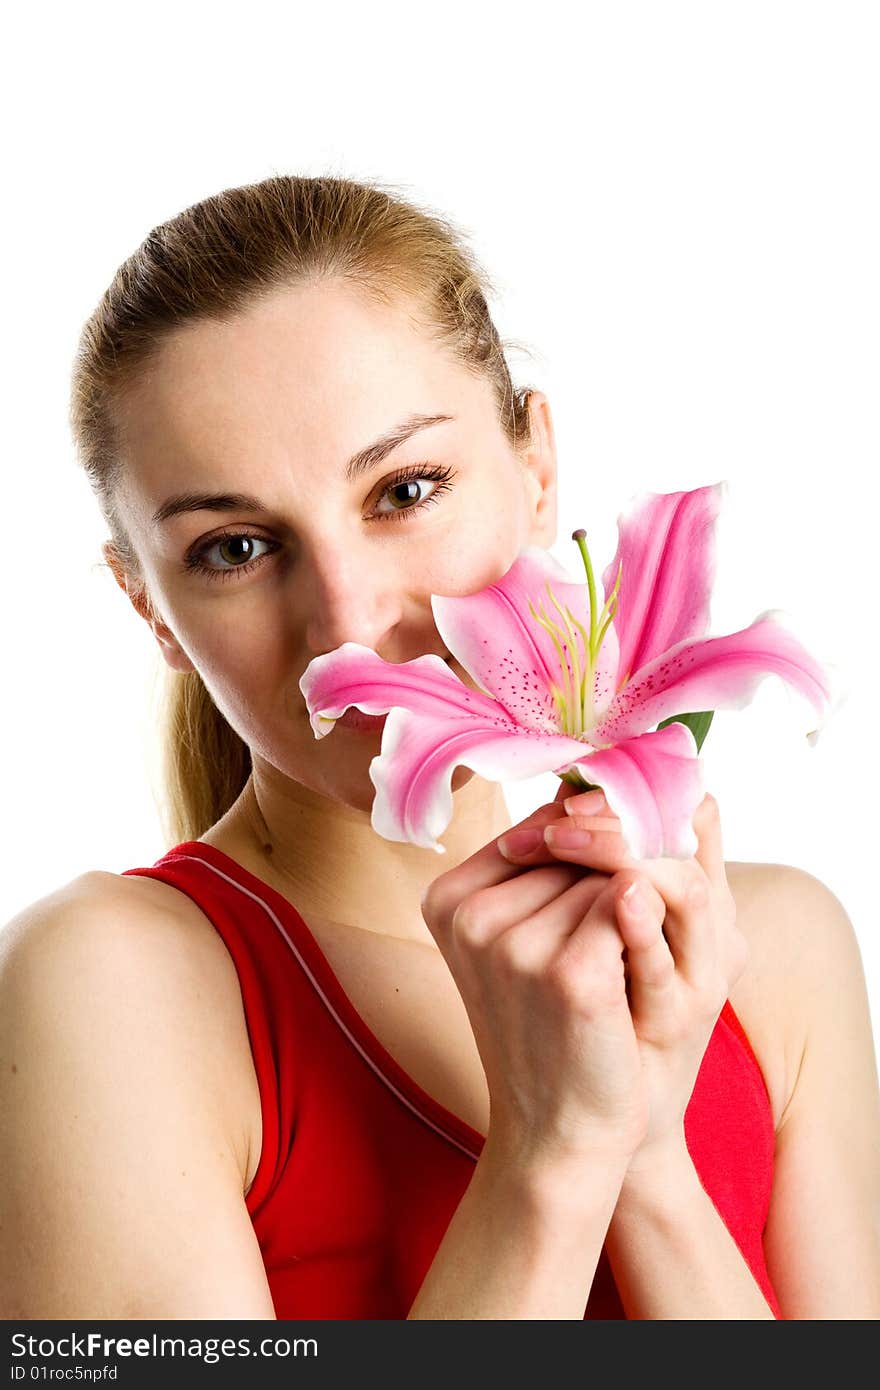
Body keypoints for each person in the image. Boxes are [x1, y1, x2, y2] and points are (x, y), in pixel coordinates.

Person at [2, 174, 878, 1322]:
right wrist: (549, 1157)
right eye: (233, 548)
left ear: (535, 472)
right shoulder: (108, 988)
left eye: (405, 488)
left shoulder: (775, 951)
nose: (349, 624)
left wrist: (652, 1160)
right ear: (150, 610)